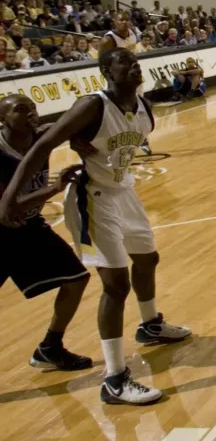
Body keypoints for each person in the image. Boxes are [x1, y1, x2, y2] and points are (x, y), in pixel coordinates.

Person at [1, 49, 191, 405]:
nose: (135, 66)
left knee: (148, 259)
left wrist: (78, 137)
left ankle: (150, 325)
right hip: (92, 198)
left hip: (124, 191)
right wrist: (11, 197)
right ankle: (115, 379)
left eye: (136, 61)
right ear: (107, 71)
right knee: (115, 286)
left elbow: (56, 132)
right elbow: (44, 143)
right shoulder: (92, 105)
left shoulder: (142, 106)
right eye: (125, 63)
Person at [0, 95, 91, 371]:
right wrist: (53, 189)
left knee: (76, 279)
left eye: (33, 107)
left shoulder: (42, 135)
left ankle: (50, 347)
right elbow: (6, 210)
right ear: (3, 120)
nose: (31, 113)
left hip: (29, 229)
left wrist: (77, 140)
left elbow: (77, 124)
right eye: (20, 109)